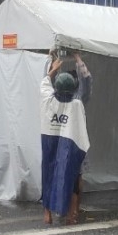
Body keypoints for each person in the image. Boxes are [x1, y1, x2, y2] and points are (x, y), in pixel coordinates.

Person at [41, 57, 91, 226]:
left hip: (51, 145)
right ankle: (72, 214)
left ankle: (47, 213)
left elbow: (44, 82)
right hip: (70, 147)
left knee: (49, 176)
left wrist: (52, 65)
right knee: (72, 178)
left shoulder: (48, 100)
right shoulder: (77, 102)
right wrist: (78, 59)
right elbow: (87, 83)